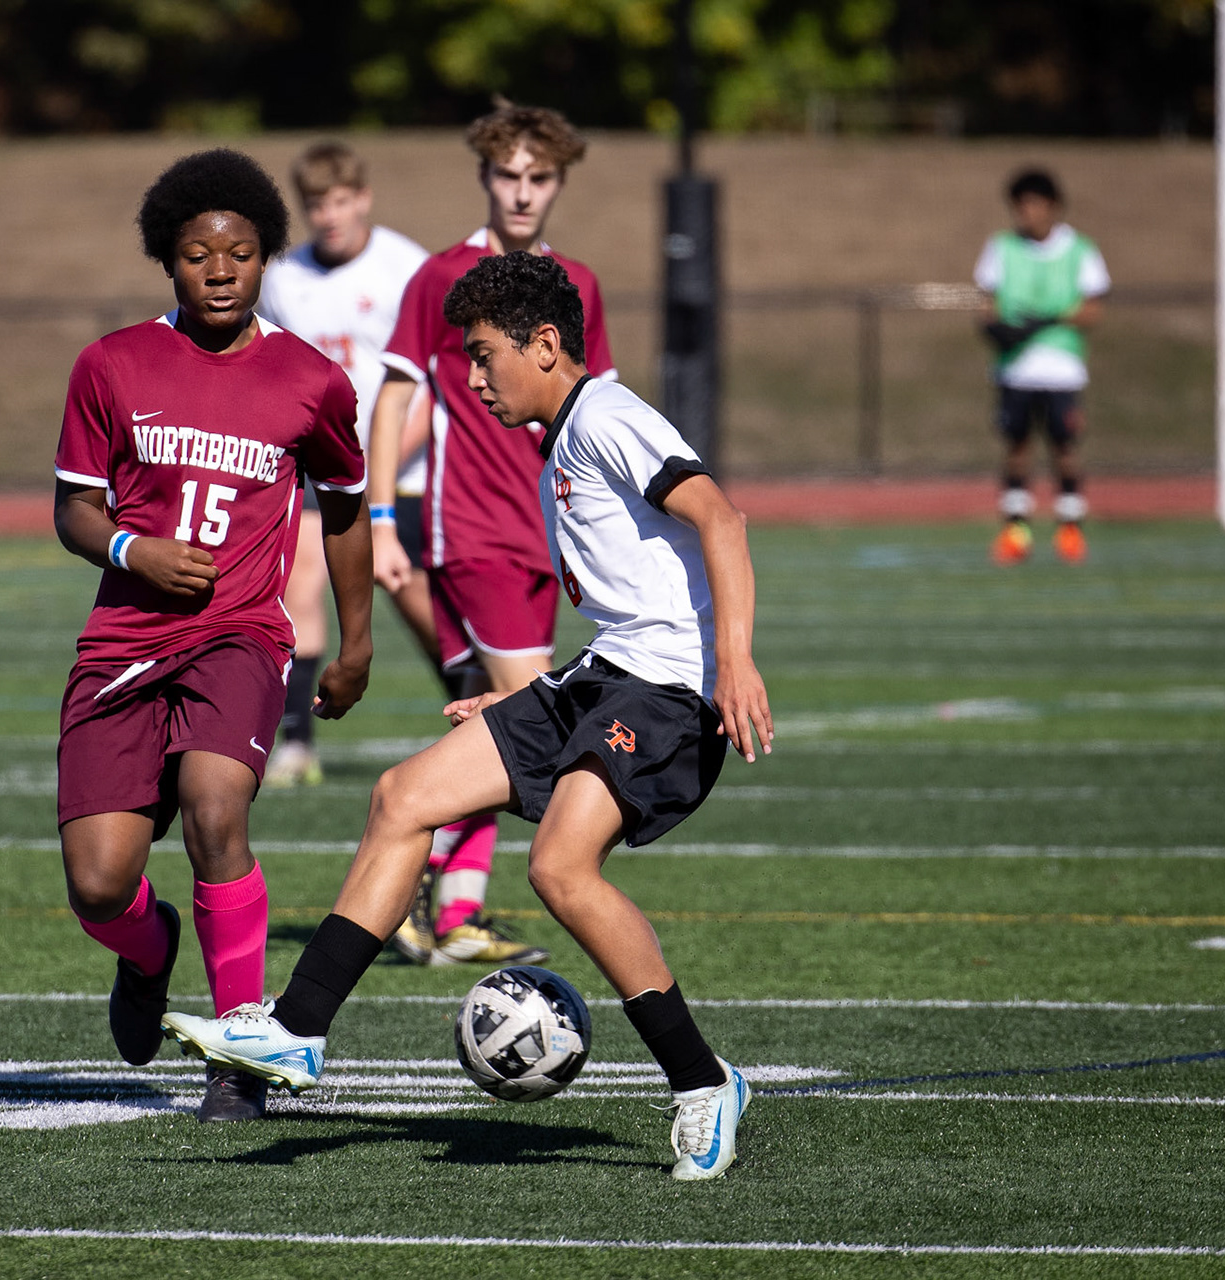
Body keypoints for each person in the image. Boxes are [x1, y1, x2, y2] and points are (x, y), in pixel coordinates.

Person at [166, 251, 772, 1182]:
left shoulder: (608, 415)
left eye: (485, 357)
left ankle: (701, 1084)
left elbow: (721, 520)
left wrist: (732, 662)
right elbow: (633, 605)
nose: (475, 378)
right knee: (405, 794)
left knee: (559, 868)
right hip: (605, 677)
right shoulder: (559, 446)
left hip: (667, 695)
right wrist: (536, 699)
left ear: (547, 345)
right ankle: (297, 1031)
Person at [52, 149, 374, 1123]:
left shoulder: (311, 380)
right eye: (199, 253)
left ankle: (242, 1047)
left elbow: (348, 506)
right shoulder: (112, 362)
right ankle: (151, 956)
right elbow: (71, 507)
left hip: (240, 635)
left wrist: (355, 641)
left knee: (214, 807)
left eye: (239, 250)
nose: (222, 268)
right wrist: (129, 547)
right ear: (169, 260)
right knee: (100, 886)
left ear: (266, 255)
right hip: (122, 643)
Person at [367, 102, 616, 967]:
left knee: (499, 726)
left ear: (558, 183)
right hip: (474, 535)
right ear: (483, 177)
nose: (521, 191)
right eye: (506, 174)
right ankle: (409, 891)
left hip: (546, 540)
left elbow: (595, 414)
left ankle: (444, 904)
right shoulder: (442, 275)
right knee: (533, 725)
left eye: (537, 176)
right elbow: (395, 395)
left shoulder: (577, 282)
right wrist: (383, 519)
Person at [256, 141, 436, 789]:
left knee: (424, 609)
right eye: (315, 205)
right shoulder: (283, 279)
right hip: (318, 473)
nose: (328, 216)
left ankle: (479, 711)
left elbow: (432, 385)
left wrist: (380, 469)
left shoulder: (406, 269)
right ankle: (297, 743)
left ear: (362, 198)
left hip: (402, 477)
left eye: (338, 201)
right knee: (301, 586)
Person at [975, 168, 1109, 565]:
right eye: (1020, 205)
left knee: (1064, 447)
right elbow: (989, 305)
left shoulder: (1079, 249)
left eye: (1033, 204)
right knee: (1016, 446)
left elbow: (1092, 310)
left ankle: (1070, 529)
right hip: (1015, 368)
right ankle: (1016, 531)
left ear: (1052, 205)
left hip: (1060, 367)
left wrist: (1048, 321)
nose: (1026, 213)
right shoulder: (1001, 247)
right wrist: (997, 329)